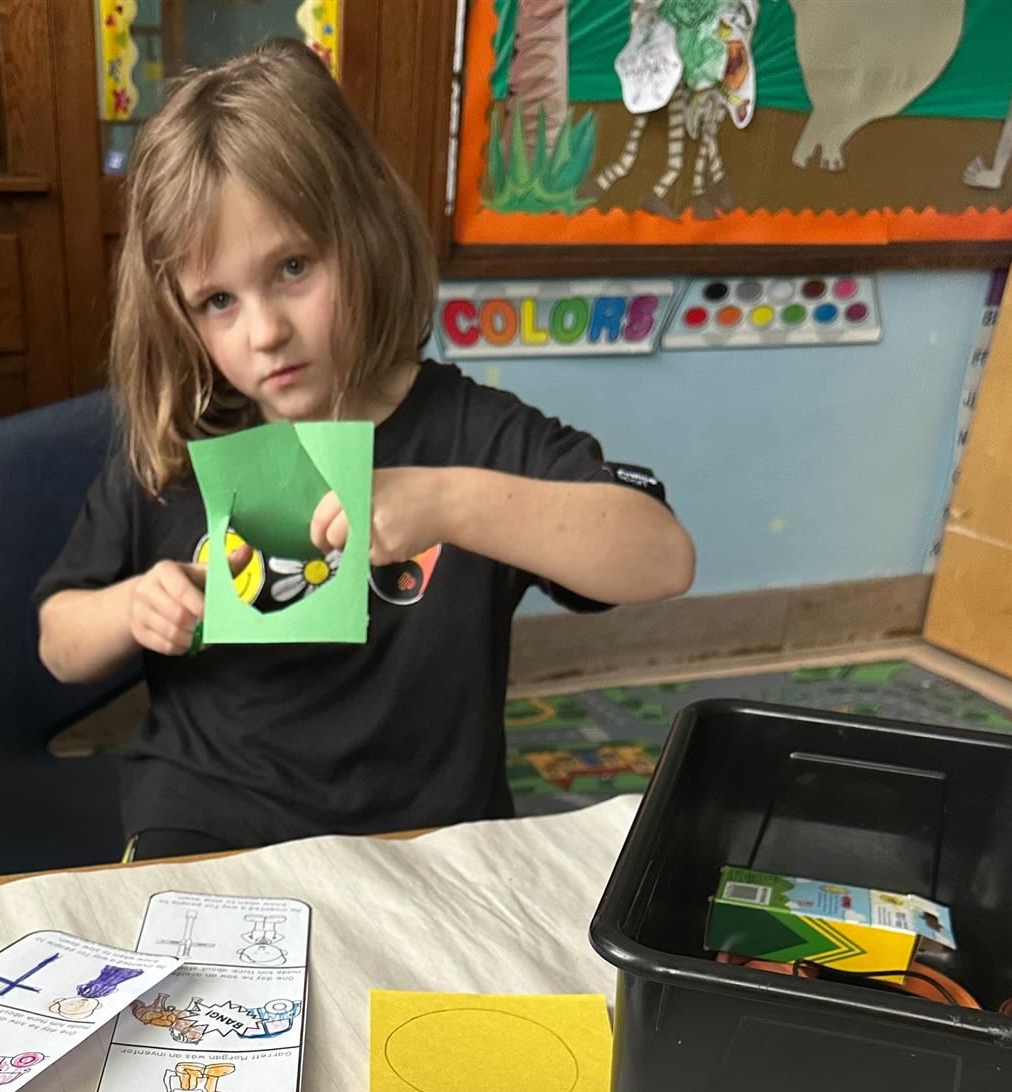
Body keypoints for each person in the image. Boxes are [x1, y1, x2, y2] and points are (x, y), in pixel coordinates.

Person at [36, 39, 694, 858]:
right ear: (177, 310)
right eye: (217, 301)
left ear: (364, 232)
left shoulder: (469, 433)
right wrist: (133, 607)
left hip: (431, 832)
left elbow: (661, 558)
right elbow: (59, 644)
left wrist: (453, 501)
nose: (266, 331)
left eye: (294, 267)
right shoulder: (179, 440)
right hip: (206, 814)